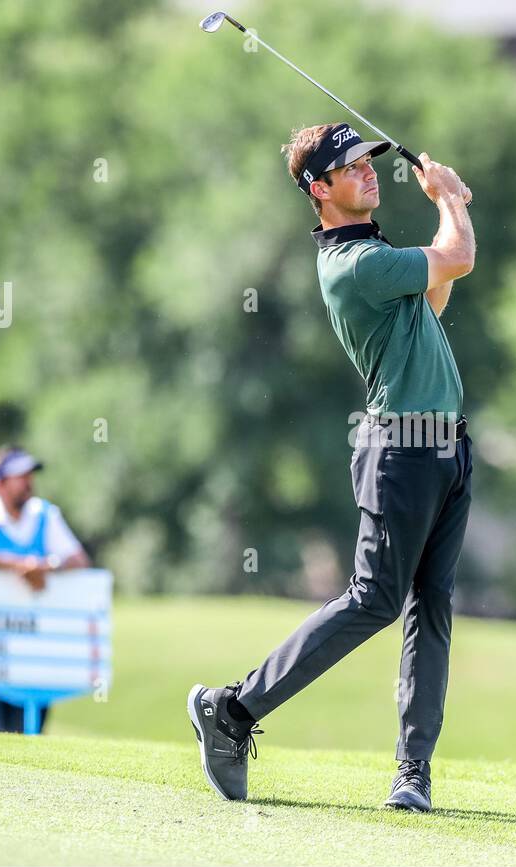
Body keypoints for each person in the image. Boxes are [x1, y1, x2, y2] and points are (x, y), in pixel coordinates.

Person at [188, 123, 476, 812]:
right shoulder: (354, 265)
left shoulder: (376, 254)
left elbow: (435, 296)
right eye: (351, 167)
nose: (368, 173)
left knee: (429, 607)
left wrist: (443, 229)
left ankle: (414, 772)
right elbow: (458, 256)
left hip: (448, 447)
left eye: (369, 162)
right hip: (401, 451)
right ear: (320, 189)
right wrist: (451, 198)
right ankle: (234, 707)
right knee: (374, 599)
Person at [0, 444, 89, 732]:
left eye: (30, 476)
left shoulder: (44, 514)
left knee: (26, 731)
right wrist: (20, 565)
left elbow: (78, 560)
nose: (28, 483)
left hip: (30, 643)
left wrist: (46, 567)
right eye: (20, 476)